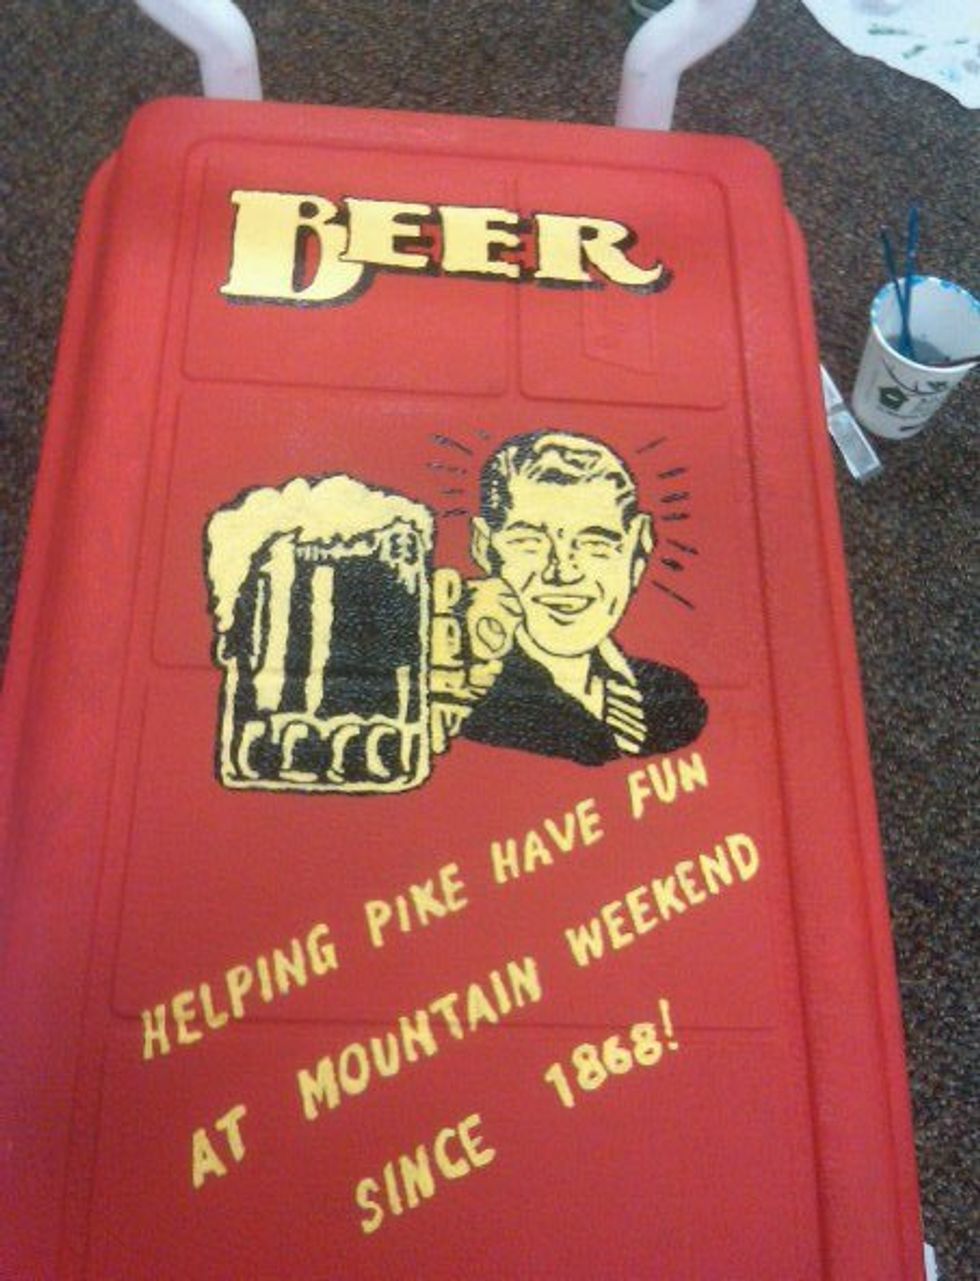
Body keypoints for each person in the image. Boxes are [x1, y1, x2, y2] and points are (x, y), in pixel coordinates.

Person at [460, 430, 707, 765]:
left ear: (638, 549)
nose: (563, 572)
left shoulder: (673, 702)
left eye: (596, 543)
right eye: (530, 541)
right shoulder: (465, 705)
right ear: (484, 547)